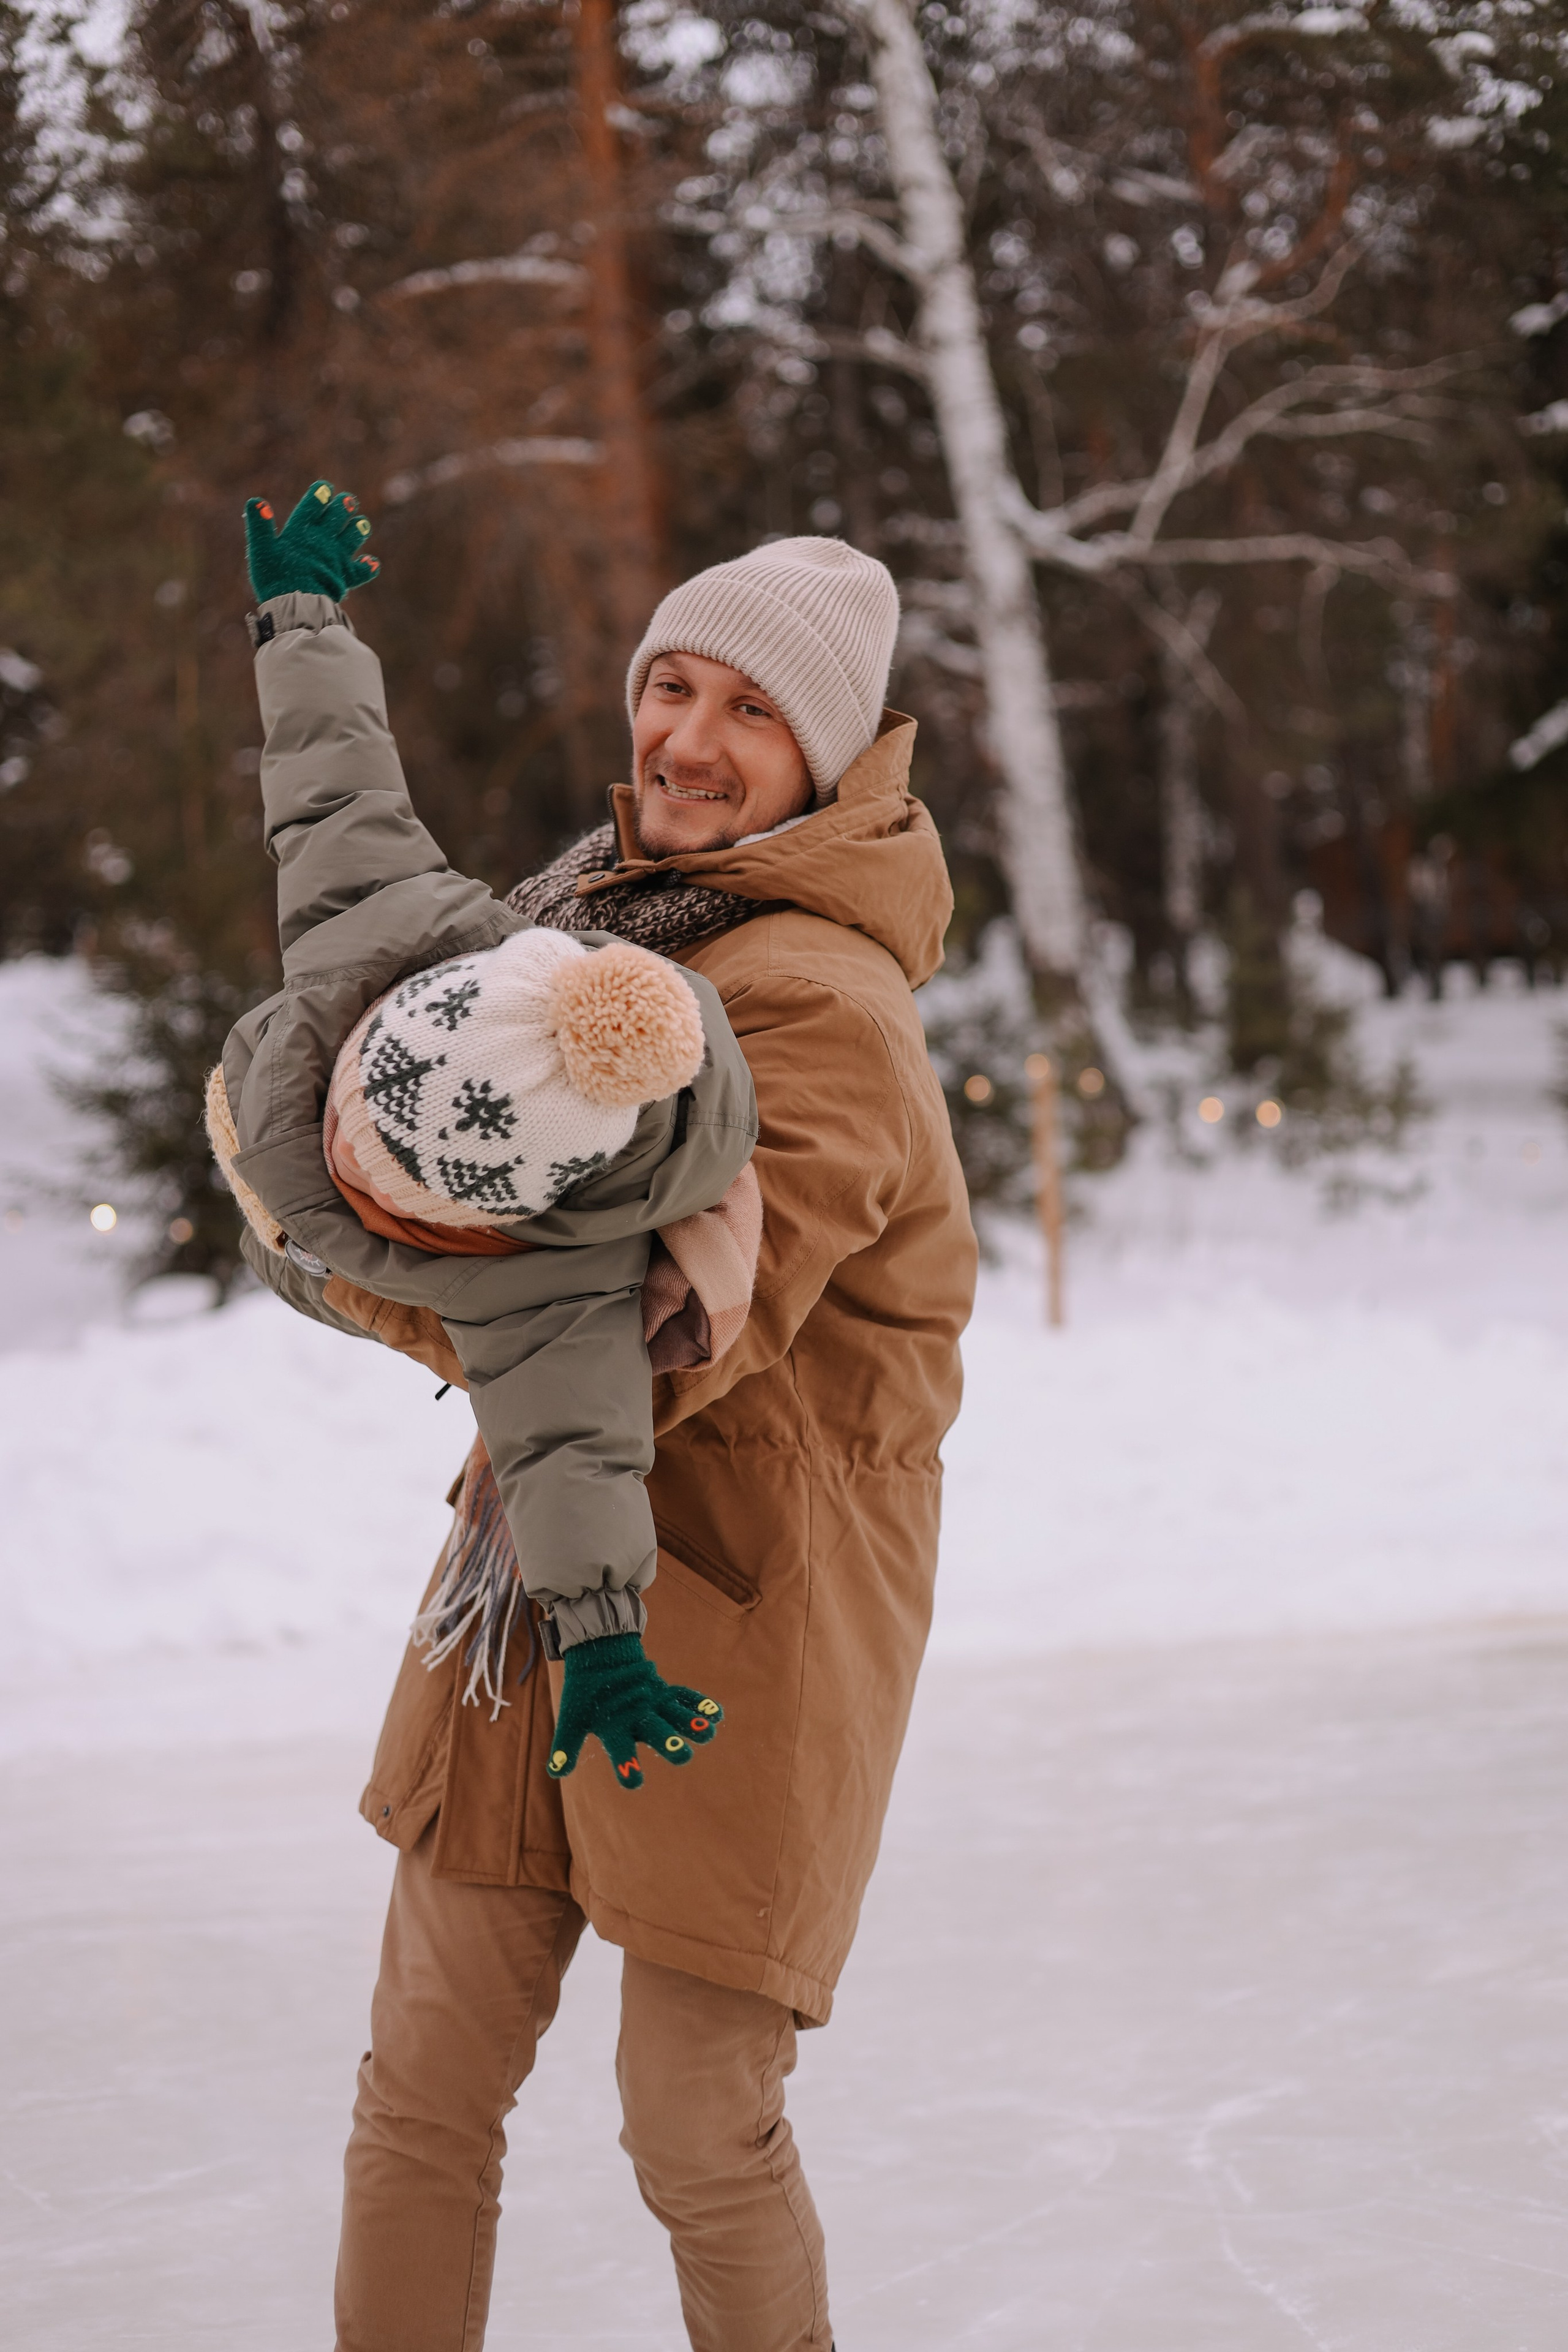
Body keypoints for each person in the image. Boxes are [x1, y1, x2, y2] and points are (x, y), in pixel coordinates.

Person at [241, 492, 977, 2352]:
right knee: (424, 2079)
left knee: (695, 2124)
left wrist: (331, 1260)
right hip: (531, 1567)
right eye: (671, 686)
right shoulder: (583, 926)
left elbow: (664, 1337)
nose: (689, 741)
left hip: (750, 1603)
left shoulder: (823, 1004)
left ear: (826, 755)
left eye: (747, 710)